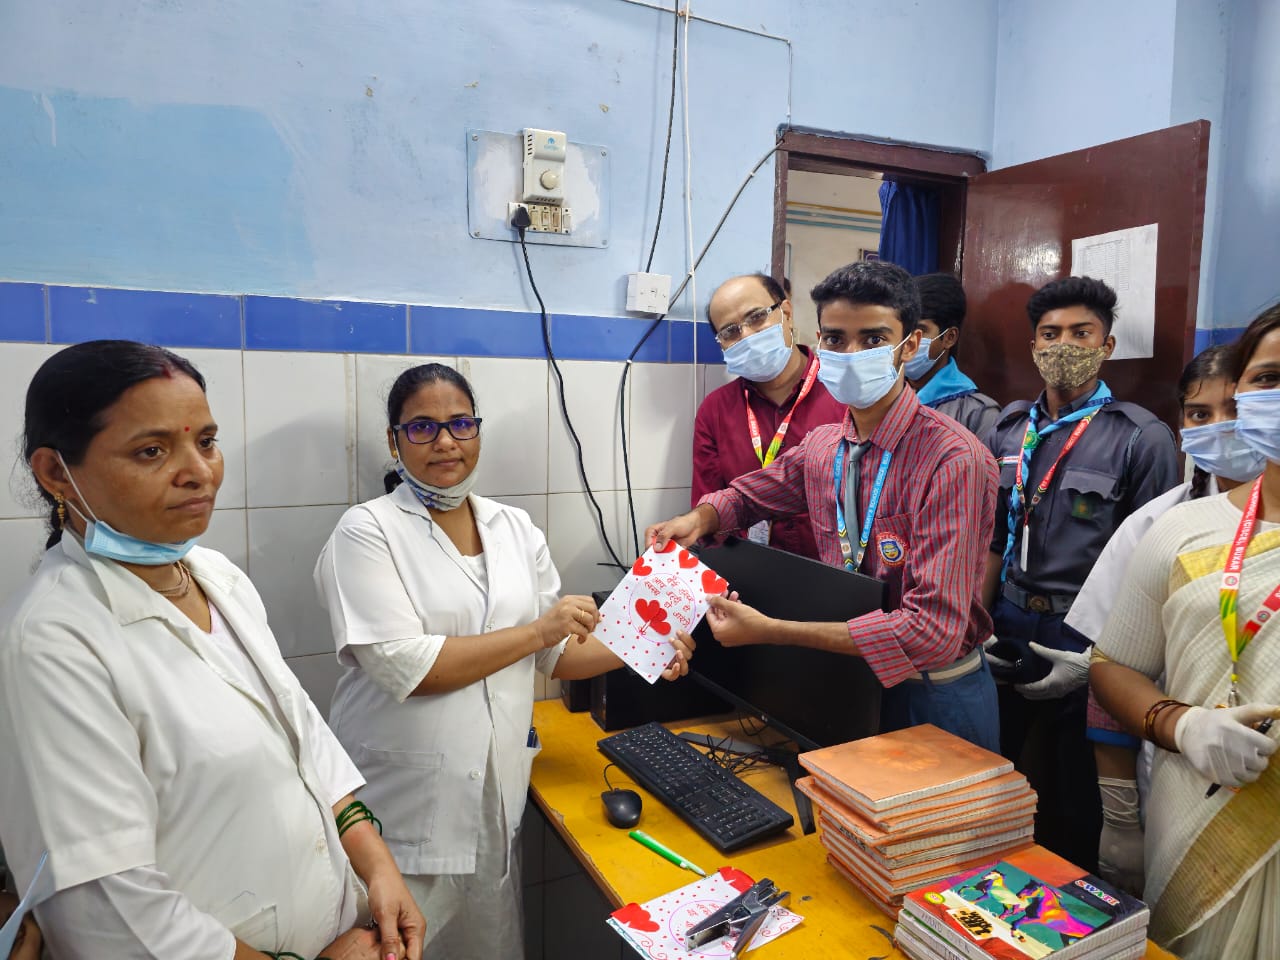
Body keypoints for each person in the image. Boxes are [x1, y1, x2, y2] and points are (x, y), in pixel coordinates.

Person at [0, 341, 424, 960]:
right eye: (152, 450)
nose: (197, 470)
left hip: (341, 929)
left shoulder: (217, 577)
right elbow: (108, 912)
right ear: (56, 472)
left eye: (205, 440)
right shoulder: (54, 640)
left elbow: (304, 740)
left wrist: (378, 869)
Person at [314, 363, 694, 960]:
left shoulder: (513, 527)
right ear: (395, 440)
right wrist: (537, 630)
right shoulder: (366, 532)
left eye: (460, 423)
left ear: (477, 432)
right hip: (403, 813)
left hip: (493, 798)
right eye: (422, 427)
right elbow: (409, 669)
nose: (445, 441)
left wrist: (647, 644)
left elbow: (558, 654)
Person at [648, 260, 1000, 751]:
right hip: (851, 680)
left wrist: (775, 632)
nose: (851, 353)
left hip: (930, 695)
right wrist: (700, 517)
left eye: (874, 339)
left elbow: (931, 633)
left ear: (910, 345)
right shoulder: (825, 446)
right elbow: (751, 494)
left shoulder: (952, 459)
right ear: (818, 337)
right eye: (835, 339)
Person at [1089, 304, 1280, 959]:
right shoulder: (1179, 529)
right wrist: (1182, 725)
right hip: (1191, 817)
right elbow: (1112, 666)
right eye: (1270, 378)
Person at [981, 276, 1178, 871]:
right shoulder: (1008, 428)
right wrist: (979, 619)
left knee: (1076, 783)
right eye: (1050, 334)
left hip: (1088, 633)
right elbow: (993, 534)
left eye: (1080, 332)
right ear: (1034, 345)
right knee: (996, 767)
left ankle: (1071, 898)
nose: (1063, 344)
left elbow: (1156, 559)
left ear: (1107, 344)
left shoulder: (1141, 437)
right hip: (1009, 617)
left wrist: (1100, 655)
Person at [1065, 345, 1265, 894]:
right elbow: (1114, 671)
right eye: (1200, 414)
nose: (1220, 428)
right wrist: (1121, 817)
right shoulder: (1160, 525)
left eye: (1237, 409)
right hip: (1178, 773)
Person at [692, 273, 846, 557]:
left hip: (836, 574)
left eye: (757, 317)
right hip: (747, 574)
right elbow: (706, 513)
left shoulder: (844, 395)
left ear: (786, 312)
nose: (747, 335)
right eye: (730, 332)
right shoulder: (715, 410)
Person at [905, 273, 1001, 438]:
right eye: (903, 330)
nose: (908, 341)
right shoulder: (881, 396)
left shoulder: (977, 414)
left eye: (920, 331)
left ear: (949, 338)